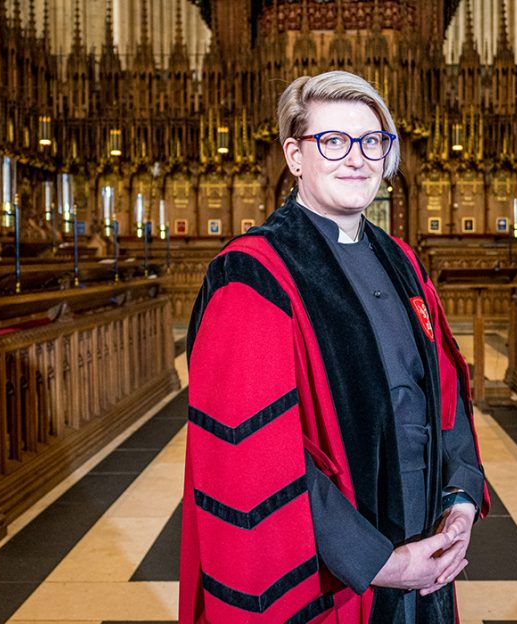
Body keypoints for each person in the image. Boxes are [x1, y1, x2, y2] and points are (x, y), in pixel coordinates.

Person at [180, 70, 488, 624]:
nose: (357, 158)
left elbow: (444, 395)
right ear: (295, 155)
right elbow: (257, 458)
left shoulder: (404, 263)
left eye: (372, 141)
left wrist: (461, 499)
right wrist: (379, 563)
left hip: (428, 544)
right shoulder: (254, 275)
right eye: (334, 141)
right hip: (340, 573)